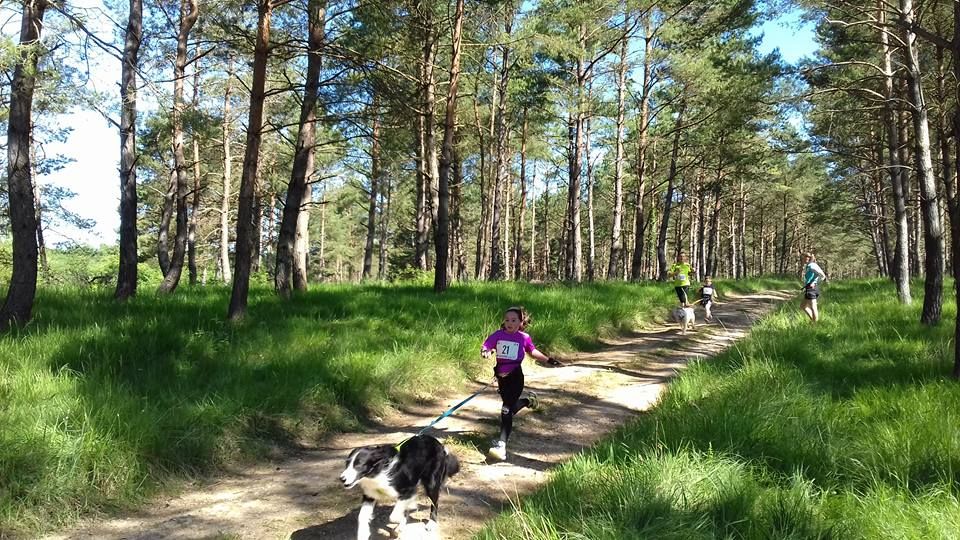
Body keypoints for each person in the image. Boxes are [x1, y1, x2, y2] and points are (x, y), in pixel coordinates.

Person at [481, 306, 562, 461]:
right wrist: (486, 352)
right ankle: (528, 401)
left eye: (513, 320)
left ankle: (501, 446)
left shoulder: (523, 337)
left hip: (516, 378)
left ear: (520, 322)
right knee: (508, 409)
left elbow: (532, 352)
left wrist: (548, 359)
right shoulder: (498, 335)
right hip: (501, 377)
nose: (509, 323)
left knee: (505, 409)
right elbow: (487, 346)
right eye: (507, 320)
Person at [801, 252, 828, 323]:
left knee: (813, 307)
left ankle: (815, 324)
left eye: (805, 257)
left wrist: (814, 282)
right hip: (809, 288)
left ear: (809, 258)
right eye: (803, 257)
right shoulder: (808, 266)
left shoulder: (812, 265)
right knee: (803, 306)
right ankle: (813, 321)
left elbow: (822, 275)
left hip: (812, 288)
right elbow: (810, 277)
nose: (803, 259)